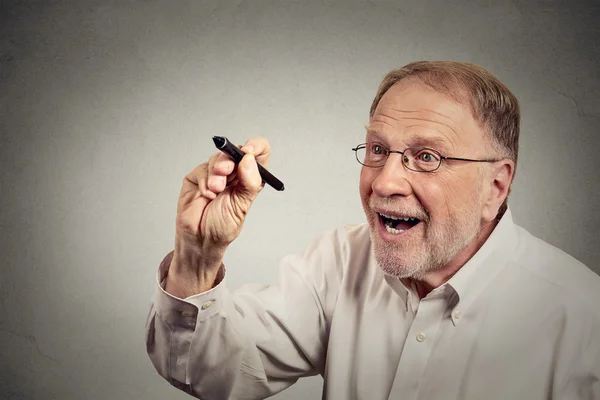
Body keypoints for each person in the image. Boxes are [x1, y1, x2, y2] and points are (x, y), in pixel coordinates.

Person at [145, 61, 600, 399]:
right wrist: (198, 254)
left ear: (496, 186)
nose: (383, 181)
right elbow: (211, 372)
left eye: (427, 157)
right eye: (379, 148)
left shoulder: (583, 323)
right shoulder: (340, 261)